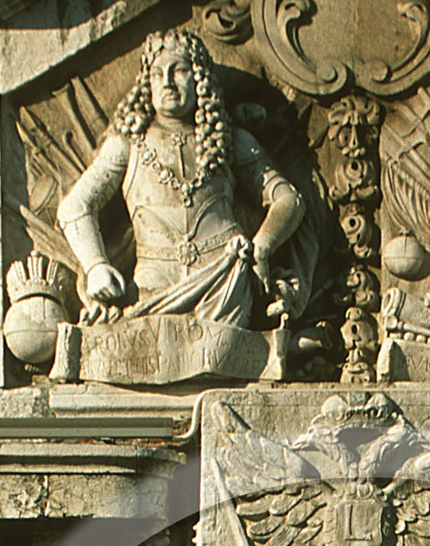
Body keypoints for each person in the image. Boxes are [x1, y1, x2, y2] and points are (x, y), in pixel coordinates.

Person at [56, 29, 305, 332]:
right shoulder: (127, 145)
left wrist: (262, 247)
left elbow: (288, 199)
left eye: (180, 71)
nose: (168, 83)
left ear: (199, 78)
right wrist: (95, 265)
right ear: (147, 83)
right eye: (158, 73)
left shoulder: (231, 140)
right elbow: (75, 206)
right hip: (152, 292)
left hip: (224, 285)